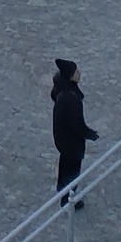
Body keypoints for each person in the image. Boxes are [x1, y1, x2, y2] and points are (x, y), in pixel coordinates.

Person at [52, 60, 97, 206]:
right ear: (71, 76)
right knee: (73, 169)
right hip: (71, 141)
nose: (79, 73)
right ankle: (68, 199)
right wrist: (90, 134)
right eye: (76, 72)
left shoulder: (60, 87)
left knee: (64, 163)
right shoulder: (71, 99)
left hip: (61, 135)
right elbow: (78, 124)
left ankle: (61, 188)